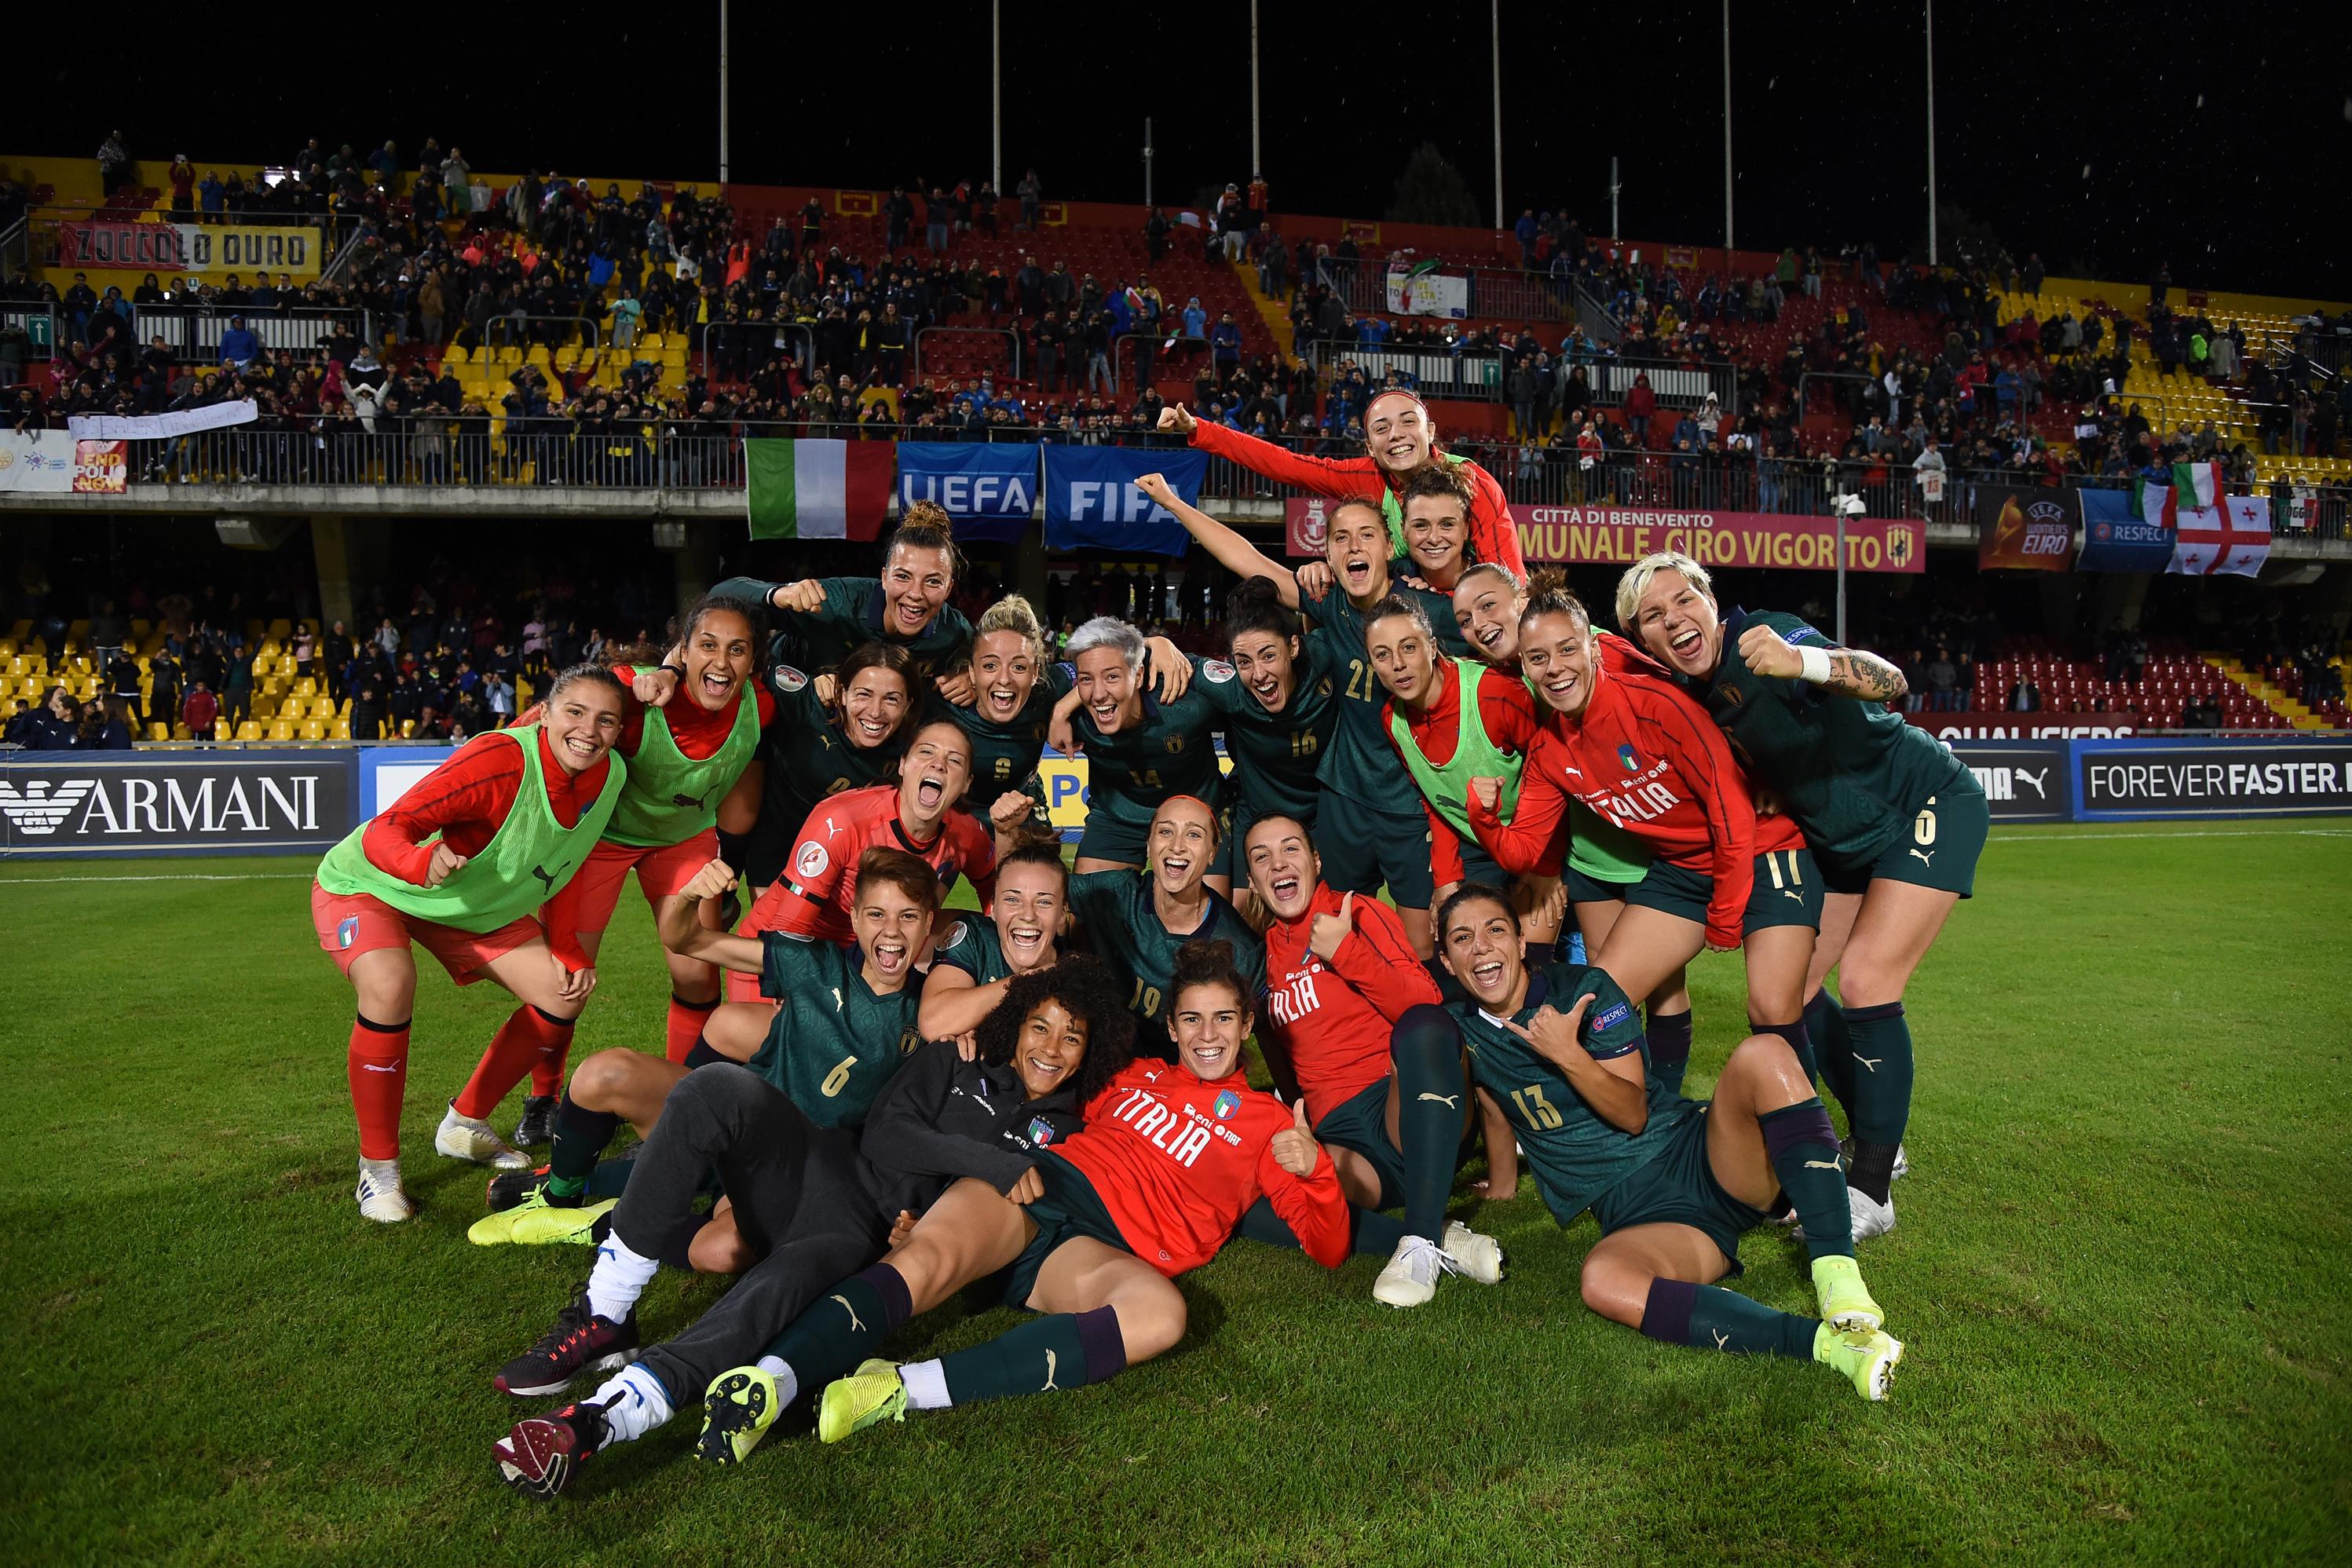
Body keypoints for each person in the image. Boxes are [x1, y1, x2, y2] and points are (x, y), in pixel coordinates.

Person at [490, 958, 1136, 1498]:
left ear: (1090, 1050)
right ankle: (606, 1309)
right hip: (821, 1166)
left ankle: (605, 1418)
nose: (1049, 1047)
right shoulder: (956, 1058)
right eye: (1038, 1026)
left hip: (860, 1236)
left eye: (1070, 1036)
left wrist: (926, 1225)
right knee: (714, 1087)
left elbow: (982, 1232)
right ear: (1013, 1024)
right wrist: (992, 1161)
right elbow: (887, 1132)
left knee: (765, 1302)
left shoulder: (1069, 1135)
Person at [733, 940, 1348, 1457]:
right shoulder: (1131, 1076)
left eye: (1222, 1019)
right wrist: (984, 1036)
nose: (1207, 1034)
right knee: (924, 1260)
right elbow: (1041, 1062)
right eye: (1191, 1018)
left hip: (1102, 1250)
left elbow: (1327, 1246)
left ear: (1246, 1024)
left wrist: (1316, 1169)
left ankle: (897, 1387)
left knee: (1162, 1315)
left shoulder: (1270, 1124)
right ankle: (771, 1379)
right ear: (1171, 1026)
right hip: (1045, 1185)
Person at [1618, 552, 1990, 1239]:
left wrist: (1804, 662)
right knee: (1788, 993)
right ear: (1644, 641)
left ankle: (1871, 1187)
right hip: (1844, 847)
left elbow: (1890, 679)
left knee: (1868, 979)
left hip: (1923, 801)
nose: (1674, 620)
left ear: (1710, 600)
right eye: (1653, 616)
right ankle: (1874, 1133)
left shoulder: (1768, 635)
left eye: (1683, 601)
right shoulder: (1688, 695)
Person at [1436, 886, 1904, 1400]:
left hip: (1700, 1155)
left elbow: (1632, 1114)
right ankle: (1834, 1347)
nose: (1480, 946)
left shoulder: (1585, 991)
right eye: (1462, 938)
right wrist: (1503, 1182)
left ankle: (1838, 1277)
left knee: (1765, 1053)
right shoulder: (1462, 1028)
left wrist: (1568, 1054)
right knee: (1603, 1281)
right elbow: (1494, 1096)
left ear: (1521, 942)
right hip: (1647, 1218)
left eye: (1494, 930)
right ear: (1447, 959)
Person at [1466, 573, 1819, 1099]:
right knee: (1600, 1000)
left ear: (1595, 647)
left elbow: (1729, 808)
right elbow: (1523, 850)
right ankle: (1654, 1122)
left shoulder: (1656, 704)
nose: (1555, 667)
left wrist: (1724, 915)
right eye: (1538, 658)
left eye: (1567, 649)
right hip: (1683, 869)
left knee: (1773, 1007)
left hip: (1765, 850)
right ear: (1525, 667)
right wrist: (1484, 817)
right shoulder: (1550, 751)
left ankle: (1814, 1148)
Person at [478, 849, 942, 1246]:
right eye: (878, 914)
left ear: (928, 925)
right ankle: (561, 1196)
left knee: (725, 1249)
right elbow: (685, 938)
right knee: (605, 1074)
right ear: (856, 918)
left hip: (789, 1169)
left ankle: (594, 1222)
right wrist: (689, 897)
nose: (892, 931)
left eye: (908, 916)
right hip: (724, 1126)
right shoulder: (811, 964)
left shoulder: (934, 1012)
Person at [309, 664, 628, 1223]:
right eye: (575, 712)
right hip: (374, 884)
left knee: (562, 994)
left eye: (606, 720)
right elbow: (391, 825)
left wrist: (569, 946)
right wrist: (417, 860)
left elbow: (568, 865)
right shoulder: (498, 760)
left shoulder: (610, 776)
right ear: (547, 713)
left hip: (466, 907)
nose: (589, 730)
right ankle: (378, 1169)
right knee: (388, 985)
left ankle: (464, 1124)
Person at [1139, 481, 1466, 958]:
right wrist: (1173, 503)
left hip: (1410, 805)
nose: (1354, 547)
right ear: (1329, 555)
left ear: (1389, 547)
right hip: (1343, 802)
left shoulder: (1433, 609)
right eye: (1340, 539)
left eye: (1366, 536)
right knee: (1332, 939)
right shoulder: (1329, 605)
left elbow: (1501, 626)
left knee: (1423, 947)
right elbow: (1246, 559)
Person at [1241, 815, 1503, 1306]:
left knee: (1426, 1028)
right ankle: (1433, 1233)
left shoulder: (1355, 912)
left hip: (1410, 1109)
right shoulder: (1265, 957)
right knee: (1257, 1198)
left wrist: (1345, 951)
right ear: (1254, 882)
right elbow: (1284, 1064)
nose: (1278, 863)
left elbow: (1423, 1002)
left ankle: (1419, 1250)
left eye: (1291, 849)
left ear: (1315, 861)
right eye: (1261, 858)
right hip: (1345, 1145)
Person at [542, 597, 780, 1093]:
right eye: (708, 646)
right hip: (604, 840)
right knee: (565, 981)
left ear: (753, 661)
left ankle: (684, 1093)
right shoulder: (637, 694)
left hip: (682, 842)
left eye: (737, 649)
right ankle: (541, 1095)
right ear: (684, 651)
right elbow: (556, 720)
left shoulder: (763, 703)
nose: (721, 661)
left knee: (697, 977)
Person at [733, 720, 1011, 999]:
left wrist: (1001, 961)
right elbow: (789, 929)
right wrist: (788, 995)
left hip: (870, 962)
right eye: (926, 752)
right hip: (774, 957)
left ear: (966, 783)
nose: (938, 765)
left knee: (970, 929)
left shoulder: (967, 833)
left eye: (954, 760)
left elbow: (1000, 900)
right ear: (902, 765)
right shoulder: (842, 819)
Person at [1158, 390, 1525, 577]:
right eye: (1382, 429)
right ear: (1369, 446)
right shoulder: (1364, 475)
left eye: (1408, 422)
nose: (1396, 436)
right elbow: (1286, 465)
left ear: (1430, 431)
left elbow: (1508, 580)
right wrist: (1198, 429)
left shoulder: (1475, 483)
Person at [939, 594, 1192, 845]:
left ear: (1036, 671)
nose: (1004, 679)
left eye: (1018, 667)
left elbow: (1110, 659)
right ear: (972, 670)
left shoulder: (1050, 687)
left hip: (1023, 806)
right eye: (990, 666)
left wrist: (1155, 642)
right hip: (952, 808)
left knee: (1045, 883)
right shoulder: (945, 696)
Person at [1066, 795, 1264, 1060]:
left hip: (1189, 1078)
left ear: (1212, 853)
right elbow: (1036, 893)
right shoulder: (1115, 893)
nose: (1177, 846)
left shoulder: (1240, 948)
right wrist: (1007, 834)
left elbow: (1271, 1034)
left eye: (1193, 835)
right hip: (1111, 1066)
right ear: (1149, 845)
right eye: (1166, 832)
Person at [718, 642, 916, 898]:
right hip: (776, 839)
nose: (875, 712)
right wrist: (672, 666)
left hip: (846, 857)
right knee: (772, 933)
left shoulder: (915, 743)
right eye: (863, 695)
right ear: (842, 693)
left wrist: (964, 677)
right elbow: (748, 659)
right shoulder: (807, 703)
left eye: (891, 699)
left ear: (908, 705)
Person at [1048, 616, 1232, 890]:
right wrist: (1060, 710)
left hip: (1196, 815)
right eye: (1086, 679)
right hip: (1116, 821)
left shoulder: (1184, 689)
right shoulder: (1065, 700)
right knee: (1084, 919)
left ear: (1139, 676)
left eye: (1112, 676)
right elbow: (1007, 680)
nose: (1098, 694)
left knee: (1212, 924)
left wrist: (1155, 644)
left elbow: (1258, 689)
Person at [711, 508, 973, 687]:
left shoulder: (955, 633)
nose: (915, 594)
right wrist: (777, 593)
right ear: (883, 578)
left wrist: (970, 679)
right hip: (787, 693)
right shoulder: (836, 603)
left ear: (949, 589)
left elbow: (993, 667)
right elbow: (719, 599)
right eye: (903, 577)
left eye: (933, 582)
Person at [918, 842, 1074, 1043]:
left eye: (1044, 902)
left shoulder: (1073, 970)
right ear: (992, 907)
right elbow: (934, 1023)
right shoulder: (975, 937)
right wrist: (1031, 979)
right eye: (1012, 899)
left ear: (1062, 913)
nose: (1028, 915)